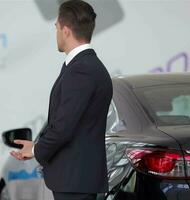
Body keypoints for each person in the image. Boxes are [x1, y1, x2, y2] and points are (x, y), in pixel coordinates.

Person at [10, 1, 113, 199]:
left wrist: (36, 149)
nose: (56, 32)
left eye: (56, 27)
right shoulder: (83, 66)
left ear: (65, 30)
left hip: (74, 181)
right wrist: (35, 146)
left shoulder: (81, 70)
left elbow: (64, 126)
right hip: (76, 179)